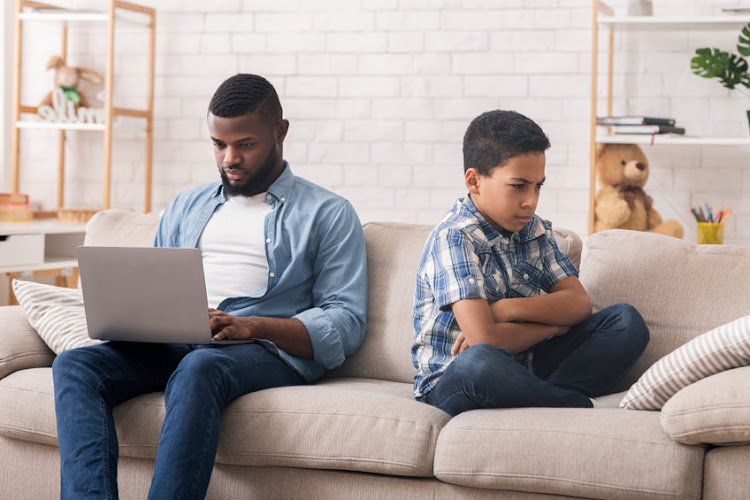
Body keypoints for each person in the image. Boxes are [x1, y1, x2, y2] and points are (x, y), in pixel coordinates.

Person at [52, 74, 368, 499]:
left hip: (260, 349)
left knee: (200, 368)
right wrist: (136, 318)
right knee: (75, 366)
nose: (229, 158)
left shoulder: (328, 213)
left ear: (280, 132)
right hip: (179, 342)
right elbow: (155, 282)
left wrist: (251, 326)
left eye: (245, 144)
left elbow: (345, 322)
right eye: (219, 145)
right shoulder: (187, 205)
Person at [411, 110, 649, 417]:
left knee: (626, 322)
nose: (531, 200)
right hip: (455, 382)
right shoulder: (455, 238)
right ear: (474, 181)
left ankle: (546, 401)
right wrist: (555, 325)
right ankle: (578, 405)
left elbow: (578, 304)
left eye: (538, 186)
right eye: (519, 186)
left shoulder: (532, 230)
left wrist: (505, 309)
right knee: (478, 361)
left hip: (525, 367)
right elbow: (486, 341)